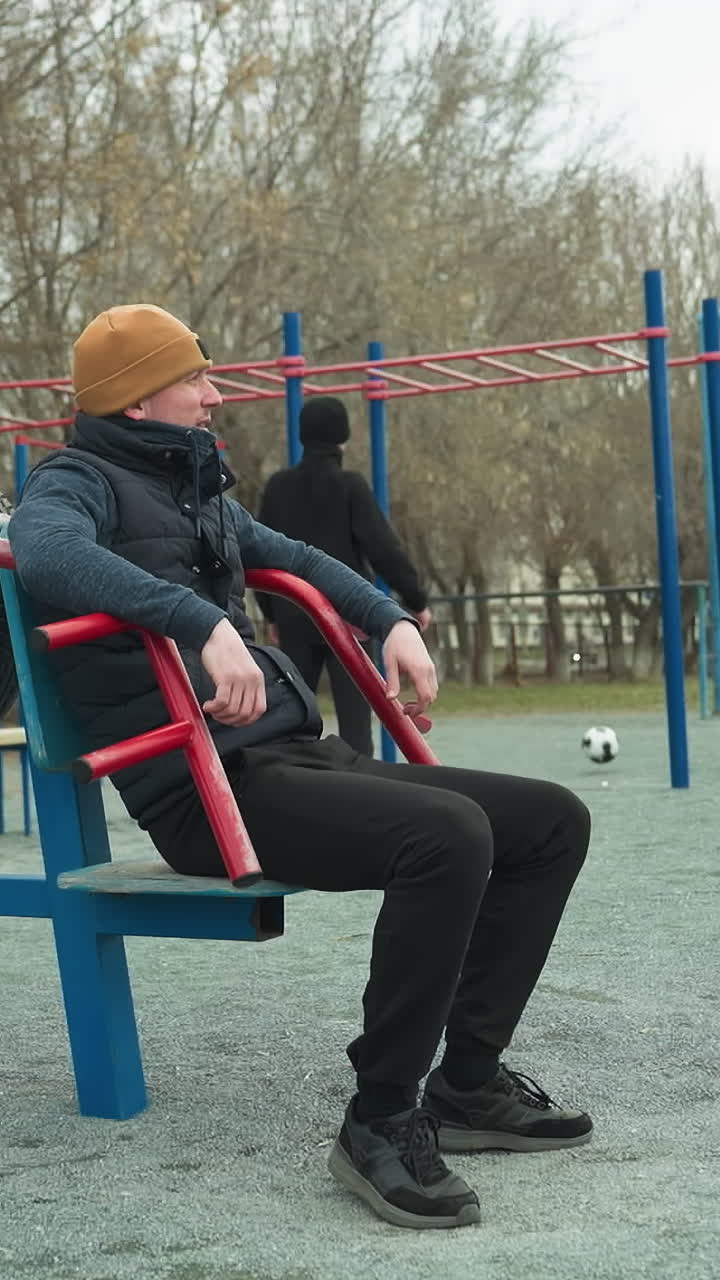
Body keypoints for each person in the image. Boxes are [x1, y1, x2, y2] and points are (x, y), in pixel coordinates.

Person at [9, 304, 593, 1232]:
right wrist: (197, 621)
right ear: (135, 395)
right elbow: (44, 555)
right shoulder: (74, 485)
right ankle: (380, 1117)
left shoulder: (200, 493)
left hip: (295, 758)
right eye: (194, 378)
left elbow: (305, 559)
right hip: (210, 794)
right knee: (449, 835)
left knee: (552, 818)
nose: (213, 393)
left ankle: (469, 1084)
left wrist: (392, 619)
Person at [256, 396, 431, 755]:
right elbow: (383, 548)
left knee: (291, 720)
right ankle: (364, 794)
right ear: (343, 439)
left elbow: (260, 555)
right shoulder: (350, 485)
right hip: (346, 619)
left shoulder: (278, 486)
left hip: (294, 613)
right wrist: (415, 600)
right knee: (355, 724)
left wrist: (272, 613)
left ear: (302, 436)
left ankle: (295, 786)